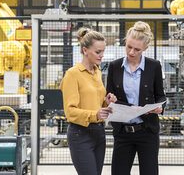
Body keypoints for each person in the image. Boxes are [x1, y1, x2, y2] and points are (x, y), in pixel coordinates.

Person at [106, 21, 166, 175]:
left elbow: (160, 95)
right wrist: (130, 108)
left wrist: (159, 107)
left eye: (137, 49)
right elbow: (109, 98)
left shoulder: (154, 66)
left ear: (145, 49)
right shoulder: (114, 66)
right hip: (122, 132)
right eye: (129, 47)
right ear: (125, 42)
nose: (131, 52)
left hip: (147, 131)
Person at [60, 27, 115, 175]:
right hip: (80, 134)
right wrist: (95, 114)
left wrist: (107, 103)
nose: (102, 55)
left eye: (103, 51)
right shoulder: (72, 74)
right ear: (85, 50)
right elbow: (70, 112)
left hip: (99, 133)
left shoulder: (97, 72)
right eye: (98, 52)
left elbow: (96, 104)